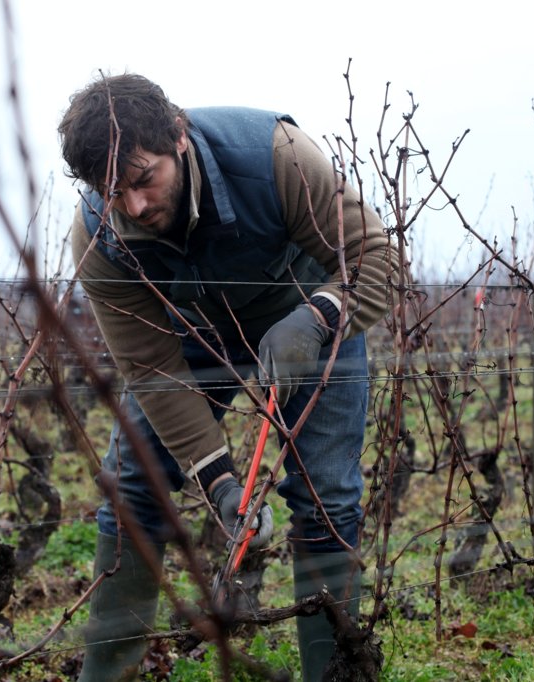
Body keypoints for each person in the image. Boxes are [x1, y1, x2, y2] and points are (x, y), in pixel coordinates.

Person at [60, 73, 398, 681]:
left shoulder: (277, 158)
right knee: (135, 487)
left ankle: (335, 672)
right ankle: (107, 674)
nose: (134, 205)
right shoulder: (100, 241)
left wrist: (320, 318)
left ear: (179, 139)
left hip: (307, 311)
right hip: (189, 332)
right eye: (114, 192)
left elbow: (375, 257)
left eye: (144, 179)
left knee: (327, 497)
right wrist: (216, 479)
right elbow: (150, 369)